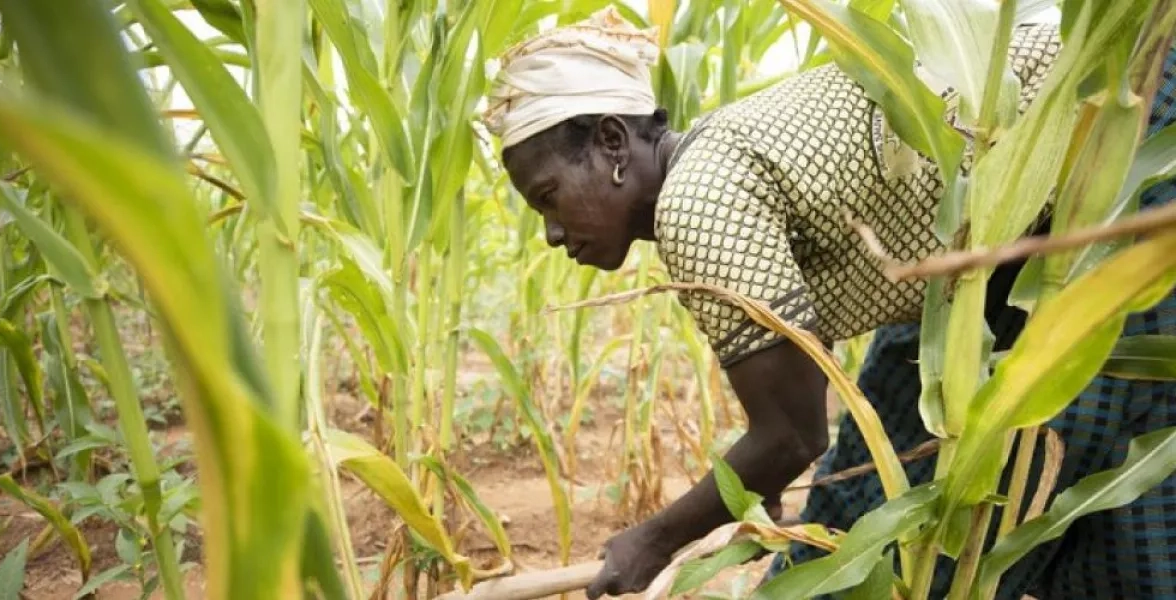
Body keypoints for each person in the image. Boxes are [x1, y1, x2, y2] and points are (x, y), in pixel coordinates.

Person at [480, 6, 1176, 599]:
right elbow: (790, 417)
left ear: (611, 143)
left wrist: (653, 541)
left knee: (1103, 462)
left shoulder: (698, 203)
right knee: (866, 501)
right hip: (982, 263)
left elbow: (791, 436)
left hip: (1120, 130)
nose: (551, 233)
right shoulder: (713, 171)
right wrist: (753, 492)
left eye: (549, 197)